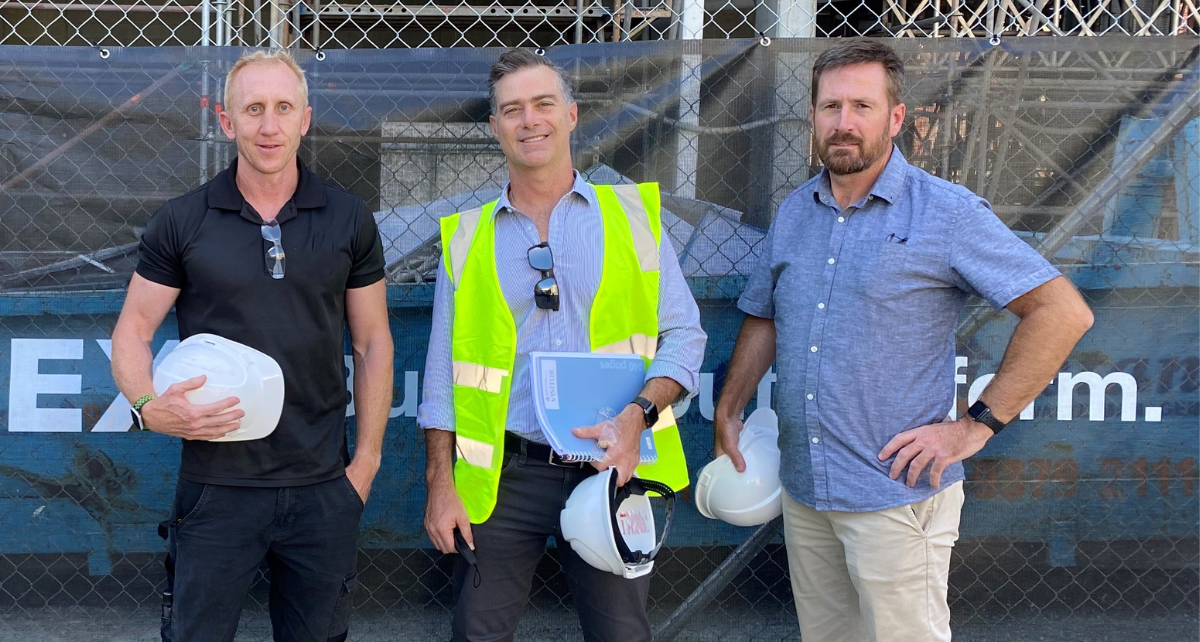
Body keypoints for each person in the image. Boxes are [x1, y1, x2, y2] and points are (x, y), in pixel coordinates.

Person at [713, 39, 1093, 642]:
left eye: (861, 106)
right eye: (830, 106)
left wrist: (975, 426)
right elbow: (765, 315)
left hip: (895, 495)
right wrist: (731, 406)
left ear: (895, 118)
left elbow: (1061, 312)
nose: (843, 123)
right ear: (811, 116)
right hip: (809, 489)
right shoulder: (795, 213)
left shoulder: (947, 213)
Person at [418, 48, 706, 642]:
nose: (530, 120)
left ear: (571, 115)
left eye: (544, 104)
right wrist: (440, 486)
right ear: (495, 126)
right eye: (512, 110)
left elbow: (684, 333)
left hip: (613, 468)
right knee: (476, 634)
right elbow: (443, 372)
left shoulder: (632, 219)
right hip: (505, 477)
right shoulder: (468, 238)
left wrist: (639, 415)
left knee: (621, 634)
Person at [110, 50, 393, 642]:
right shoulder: (183, 220)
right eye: (254, 109)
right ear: (225, 120)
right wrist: (145, 405)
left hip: (323, 486)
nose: (269, 125)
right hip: (217, 490)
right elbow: (134, 330)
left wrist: (362, 467)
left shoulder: (348, 218)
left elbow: (371, 344)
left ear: (306, 119)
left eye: (283, 108)